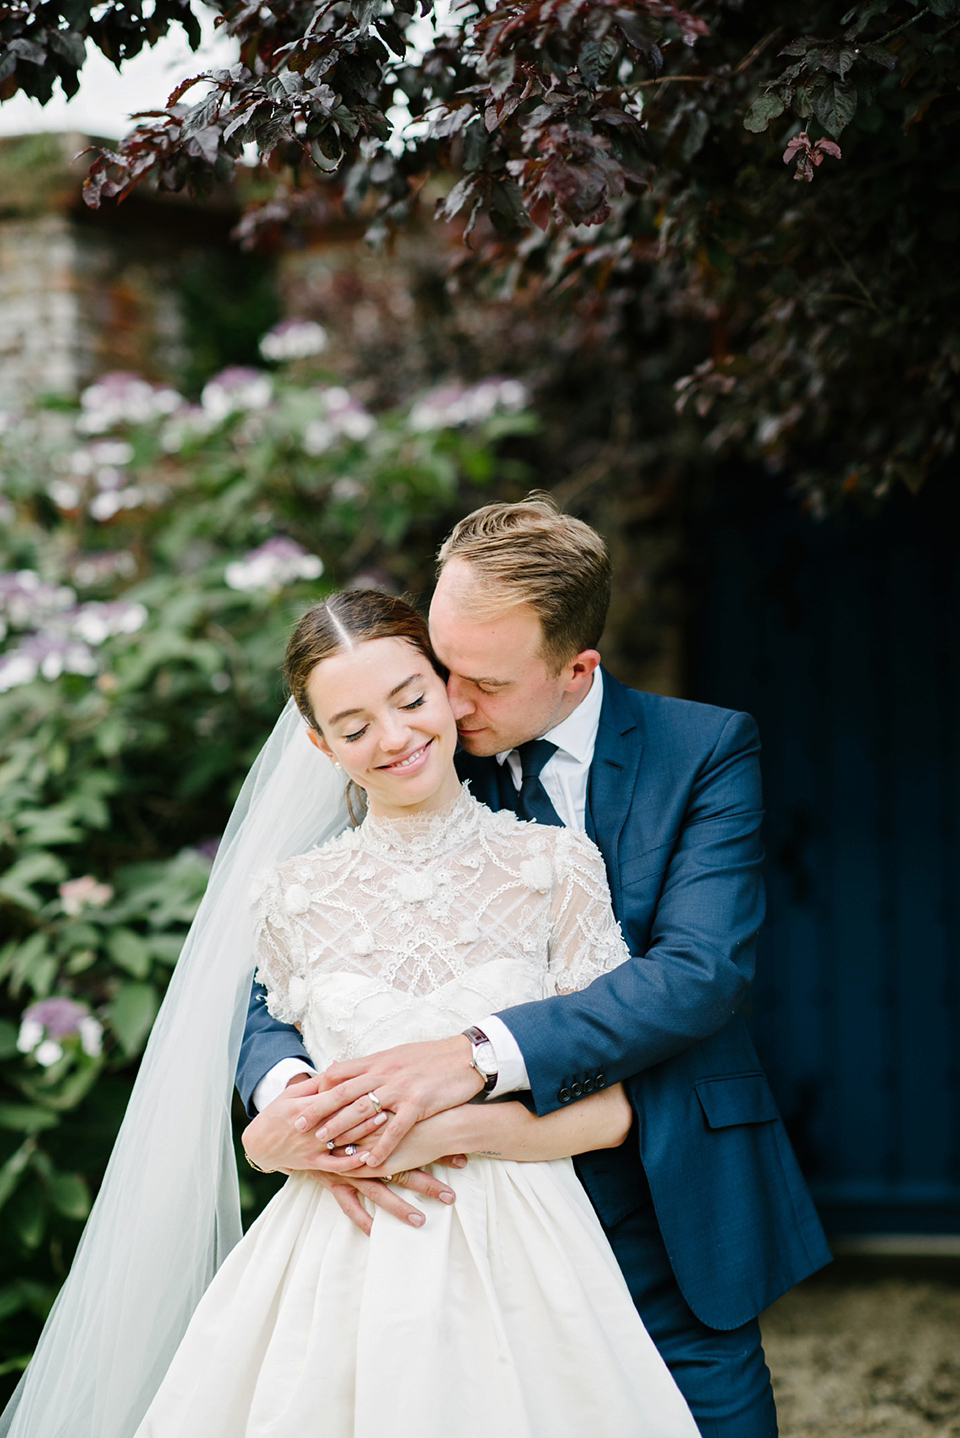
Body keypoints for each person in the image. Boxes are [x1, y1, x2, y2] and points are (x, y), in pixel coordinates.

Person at [240, 496, 832, 1438]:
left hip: (662, 1188)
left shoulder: (703, 751)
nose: (444, 702)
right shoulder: (411, 744)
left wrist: (476, 1053)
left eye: (479, 682)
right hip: (450, 1236)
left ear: (576, 670)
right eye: (442, 666)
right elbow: (285, 970)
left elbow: (699, 972)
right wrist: (291, 1109)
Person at [133, 590, 701, 1437]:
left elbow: (614, 1110)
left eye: (410, 700)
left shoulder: (552, 865)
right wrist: (273, 1137)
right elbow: (271, 1065)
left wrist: (435, 1134)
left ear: (446, 690)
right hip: (337, 1251)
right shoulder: (292, 897)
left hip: (528, 1254)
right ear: (321, 745)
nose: (395, 738)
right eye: (355, 727)